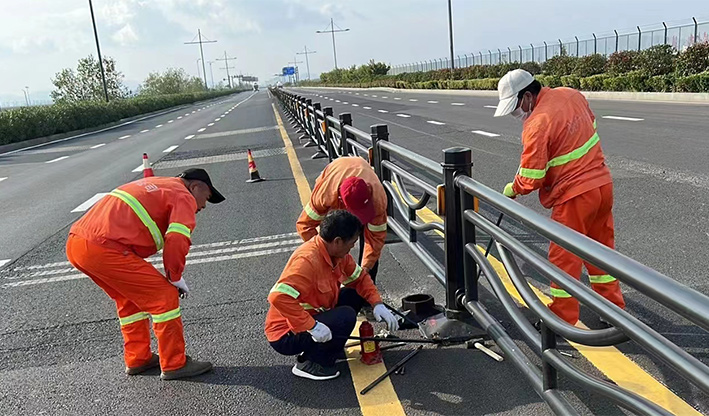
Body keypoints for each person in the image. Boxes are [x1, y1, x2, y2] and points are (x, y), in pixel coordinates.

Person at [494, 69, 625, 325]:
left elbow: (532, 176)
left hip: (574, 195)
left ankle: (562, 317)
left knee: (563, 258)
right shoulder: (571, 95)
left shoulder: (537, 123)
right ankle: (613, 310)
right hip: (601, 184)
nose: (515, 114)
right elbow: (588, 128)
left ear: (528, 96)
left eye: (515, 108)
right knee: (601, 251)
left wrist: (513, 188)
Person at [65, 168, 225, 380]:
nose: (203, 206)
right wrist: (174, 277)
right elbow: (177, 238)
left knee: (129, 300)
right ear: (195, 187)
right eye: (206, 198)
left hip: (78, 243)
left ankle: (138, 358)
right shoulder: (183, 195)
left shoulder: (159, 184)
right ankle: (174, 363)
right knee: (164, 296)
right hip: (105, 247)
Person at [266, 210, 398, 381]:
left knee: (354, 294)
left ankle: (328, 346)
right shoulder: (306, 261)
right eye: (352, 243)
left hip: (312, 318)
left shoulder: (337, 255)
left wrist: (377, 303)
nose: (353, 247)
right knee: (345, 316)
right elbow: (278, 297)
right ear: (337, 241)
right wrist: (312, 326)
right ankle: (311, 363)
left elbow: (360, 279)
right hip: (286, 333)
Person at [296, 156, 388, 283]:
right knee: (335, 239)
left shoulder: (378, 200)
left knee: (367, 262)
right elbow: (304, 225)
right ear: (341, 202)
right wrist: (328, 256)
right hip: (336, 172)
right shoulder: (325, 195)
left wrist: (366, 268)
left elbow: (375, 238)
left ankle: (366, 285)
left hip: (360, 170)